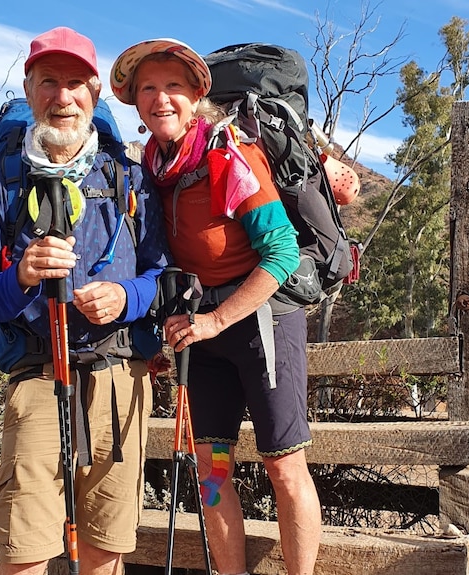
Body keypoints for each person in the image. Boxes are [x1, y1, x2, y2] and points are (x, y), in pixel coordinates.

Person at [0, 27, 170, 575]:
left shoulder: (131, 179)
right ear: (30, 91)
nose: (62, 97)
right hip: (34, 376)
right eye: (49, 82)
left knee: (106, 550)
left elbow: (159, 273)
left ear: (95, 94)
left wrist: (126, 298)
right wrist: (21, 277)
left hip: (118, 376)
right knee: (23, 553)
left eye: (75, 83)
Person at [110, 38, 322, 575]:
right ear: (135, 102)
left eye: (173, 87)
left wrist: (217, 320)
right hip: (200, 335)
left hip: (262, 326)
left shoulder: (227, 154)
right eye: (149, 89)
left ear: (196, 94)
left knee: (283, 466)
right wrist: (170, 332)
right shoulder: (150, 169)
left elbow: (280, 253)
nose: (161, 99)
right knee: (212, 468)